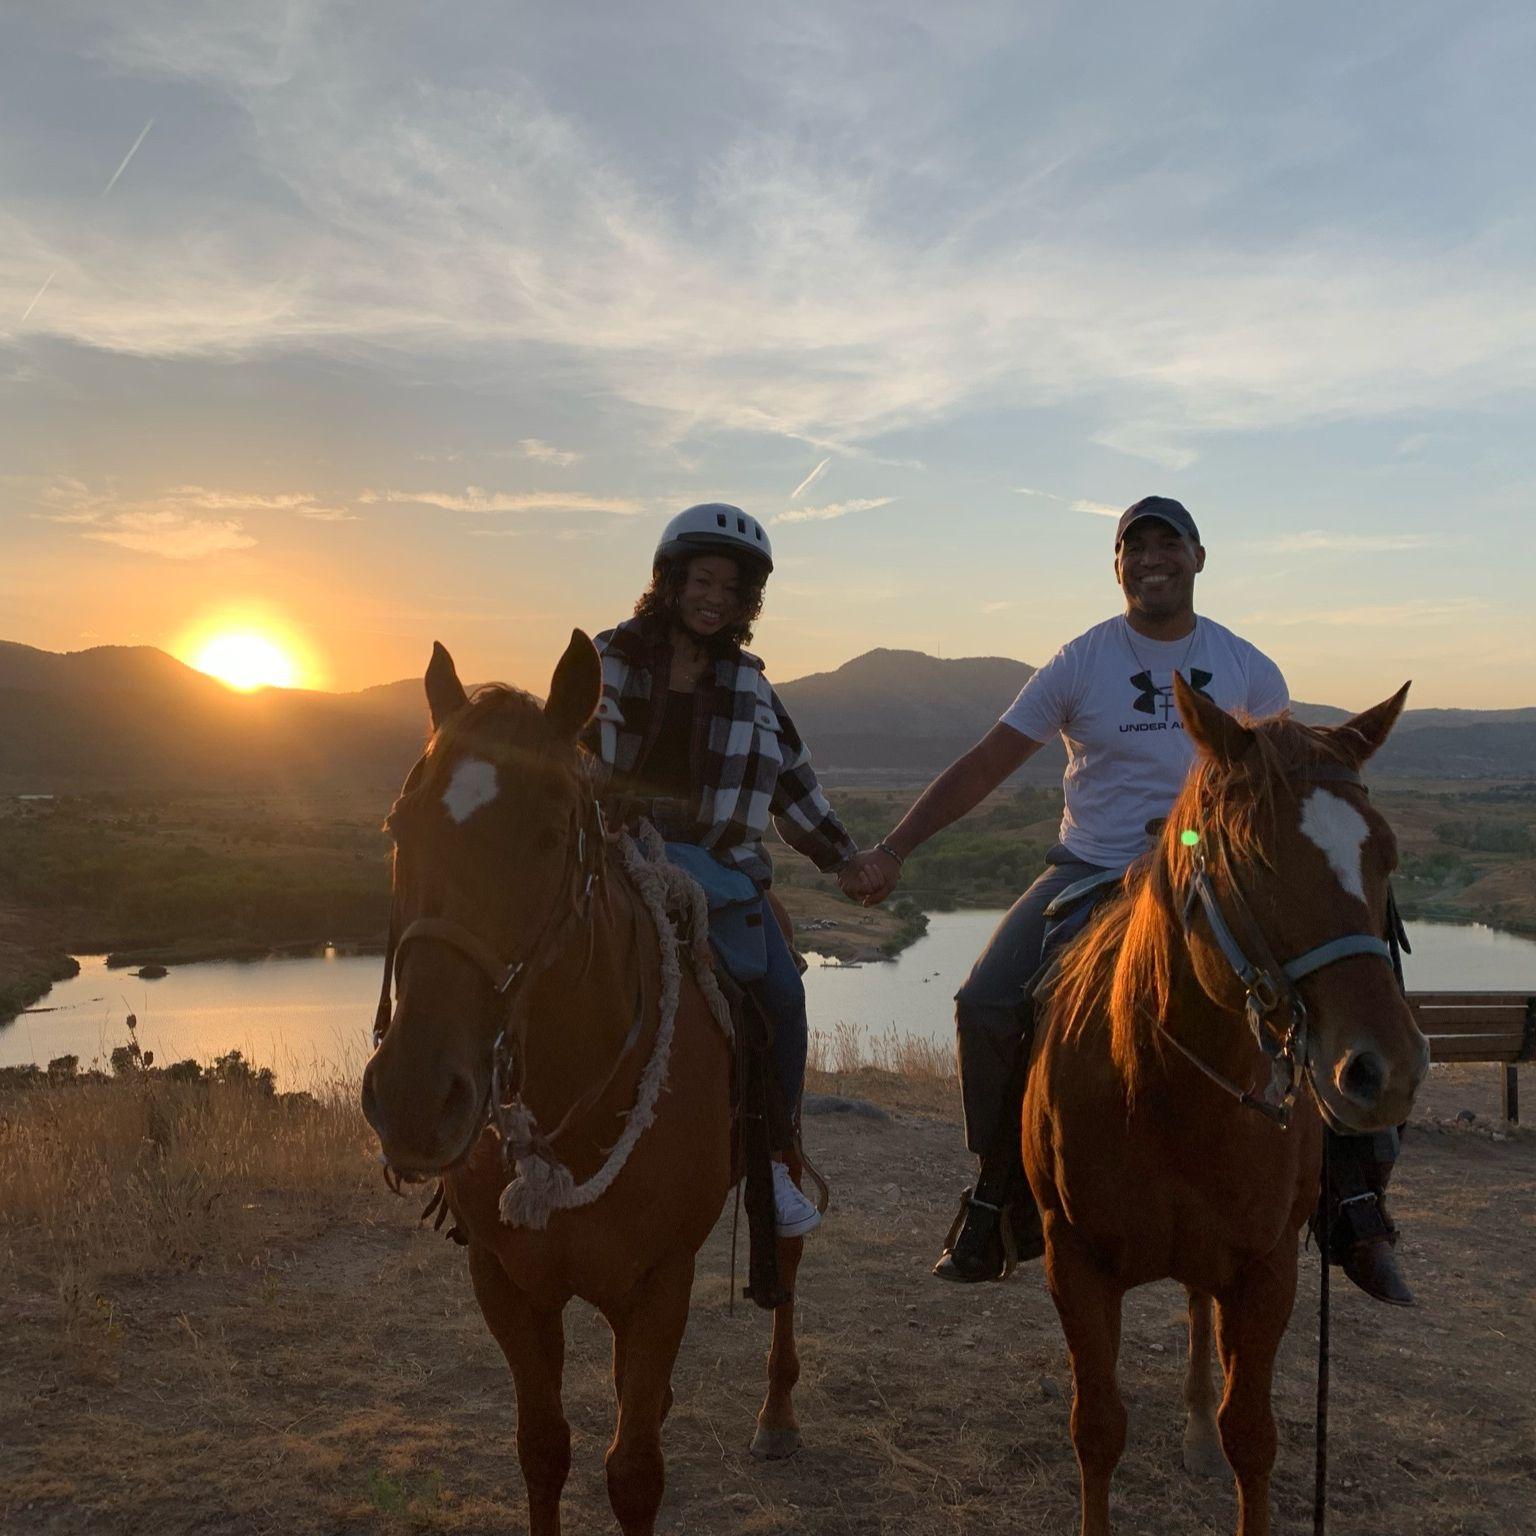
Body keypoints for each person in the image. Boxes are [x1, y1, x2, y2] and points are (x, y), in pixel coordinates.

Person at [838, 495, 1414, 1305]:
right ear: (1117, 566)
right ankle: (999, 1196)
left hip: (1211, 876)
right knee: (984, 1001)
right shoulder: (1082, 661)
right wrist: (894, 848)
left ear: (1198, 558)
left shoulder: (1247, 667)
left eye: (1167, 545)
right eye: (1133, 547)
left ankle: (1354, 1202)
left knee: (1347, 974)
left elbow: (1283, 789)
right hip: (1092, 868)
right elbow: (987, 761)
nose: (1151, 560)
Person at [586, 503, 860, 1238]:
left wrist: (847, 861)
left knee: (781, 996)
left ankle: (772, 1160)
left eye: (732, 590)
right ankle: (492, 1138)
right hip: (614, 854)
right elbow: (571, 753)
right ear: (671, 581)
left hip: (722, 869)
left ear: (747, 605)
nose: (715, 598)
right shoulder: (610, 657)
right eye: (702, 579)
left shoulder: (751, 685)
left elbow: (792, 786)